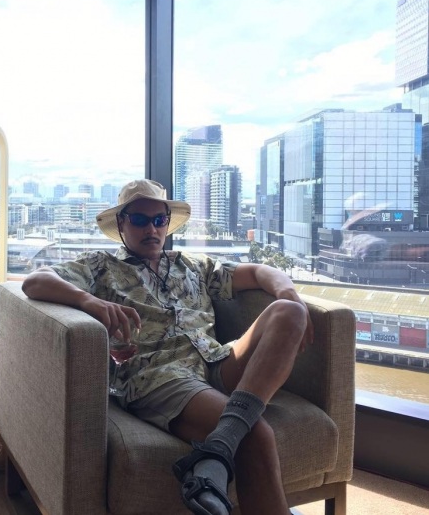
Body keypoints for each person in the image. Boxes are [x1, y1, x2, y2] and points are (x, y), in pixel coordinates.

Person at [22, 179, 313, 515]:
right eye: (140, 220)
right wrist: (90, 302)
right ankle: (232, 441)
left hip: (216, 362)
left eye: (159, 220)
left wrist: (288, 291)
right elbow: (35, 281)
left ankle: (219, 447)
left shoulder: (193, 266)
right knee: (255, 436)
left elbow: (261, 272)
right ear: (121, 224)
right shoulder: (100, 266)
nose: (152, 229)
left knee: (289, 311)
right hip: (160, 378)